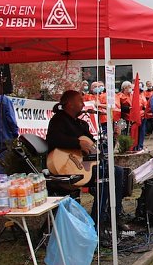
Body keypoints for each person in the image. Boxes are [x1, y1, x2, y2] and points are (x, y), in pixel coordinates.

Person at [46, 90, 126, 240]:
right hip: (65, 167)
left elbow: (95, 148)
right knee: (106, 174)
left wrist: (113, 137)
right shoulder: (58, 120)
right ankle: (97, 224)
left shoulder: (81, 124)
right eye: (80, 101)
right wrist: (77, 143)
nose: (83, 104)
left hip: (83, 165)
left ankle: (113, 216)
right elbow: (53, 139)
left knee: (118, 171)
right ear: (69, 104)